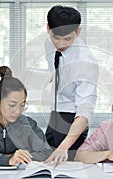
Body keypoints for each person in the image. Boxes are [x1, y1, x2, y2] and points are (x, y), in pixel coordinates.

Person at [44, 5, 99, 163]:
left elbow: (85, 110)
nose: (60, 43)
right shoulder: (48, 43)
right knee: (45, 165)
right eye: (56, 37)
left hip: (73, 119)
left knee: (69, 168)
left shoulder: (85, 63)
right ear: (48, 29)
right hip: (54, 112)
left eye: (67, 38)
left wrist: (64, 146)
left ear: (78, 32)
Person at [0, 66, 52, 166]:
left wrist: (19, 157)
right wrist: (9, 159)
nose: (17, 111)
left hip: (19, 178)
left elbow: (46, 153)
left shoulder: (28, 124)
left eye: (22, 105)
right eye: (12, 105)